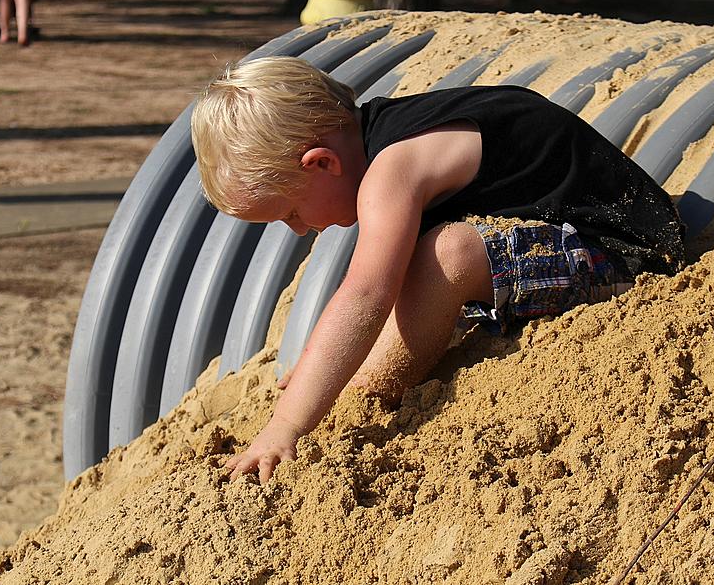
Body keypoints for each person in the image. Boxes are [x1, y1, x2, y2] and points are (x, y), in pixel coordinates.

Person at [191, 57, 685, 483]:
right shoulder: (390, 136)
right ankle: (352, 379)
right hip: (568, 240)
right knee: (418, 258)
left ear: (321, 164)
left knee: (443, 256)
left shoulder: (394, 169)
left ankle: (372, 392)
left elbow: (367, 294)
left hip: (626, 255)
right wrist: (323, 368)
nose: (298, 230)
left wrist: (287, 426)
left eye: (289, 213)